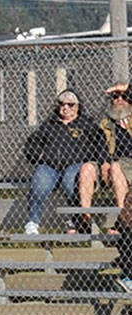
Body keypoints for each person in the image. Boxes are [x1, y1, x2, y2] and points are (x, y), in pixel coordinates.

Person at [23, 89, 103, 234]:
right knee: (40, 183)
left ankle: (74, 219)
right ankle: (33, 222)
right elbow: (31, 145)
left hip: (75, 164)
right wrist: (37, 157)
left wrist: (95, 161)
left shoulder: (87, 124)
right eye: (62, 104)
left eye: (70, 105)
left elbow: (100, 143)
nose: (65, 108)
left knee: (70, 181)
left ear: (78, 106)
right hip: (50, 166)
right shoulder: (50, 124)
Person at [89, 82, 132, 222]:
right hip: (114, 163)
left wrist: (123, 87)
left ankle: (123, 218)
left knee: (116, 167)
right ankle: (85, 221)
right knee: (87, 169)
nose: (119, 100)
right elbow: (101, 146)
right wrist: (103, 162)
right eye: (115, 97)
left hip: (128, 162)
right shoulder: (105, 123)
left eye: (124, 96)